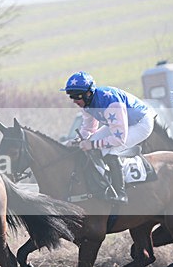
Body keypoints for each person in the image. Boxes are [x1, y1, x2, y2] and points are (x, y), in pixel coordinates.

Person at [62, 71, 156, 203]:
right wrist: (77, 141)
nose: (73, 101)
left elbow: (119, 140)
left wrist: (93, 145)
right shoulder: (86, 103)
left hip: (141, 124)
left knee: (111, 151)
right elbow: (89, 129)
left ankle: (120, 193)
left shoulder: (111, 103)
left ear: (88, 94)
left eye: (75, 96)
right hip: (123, 123)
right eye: (70, 96)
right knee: (90, 145)